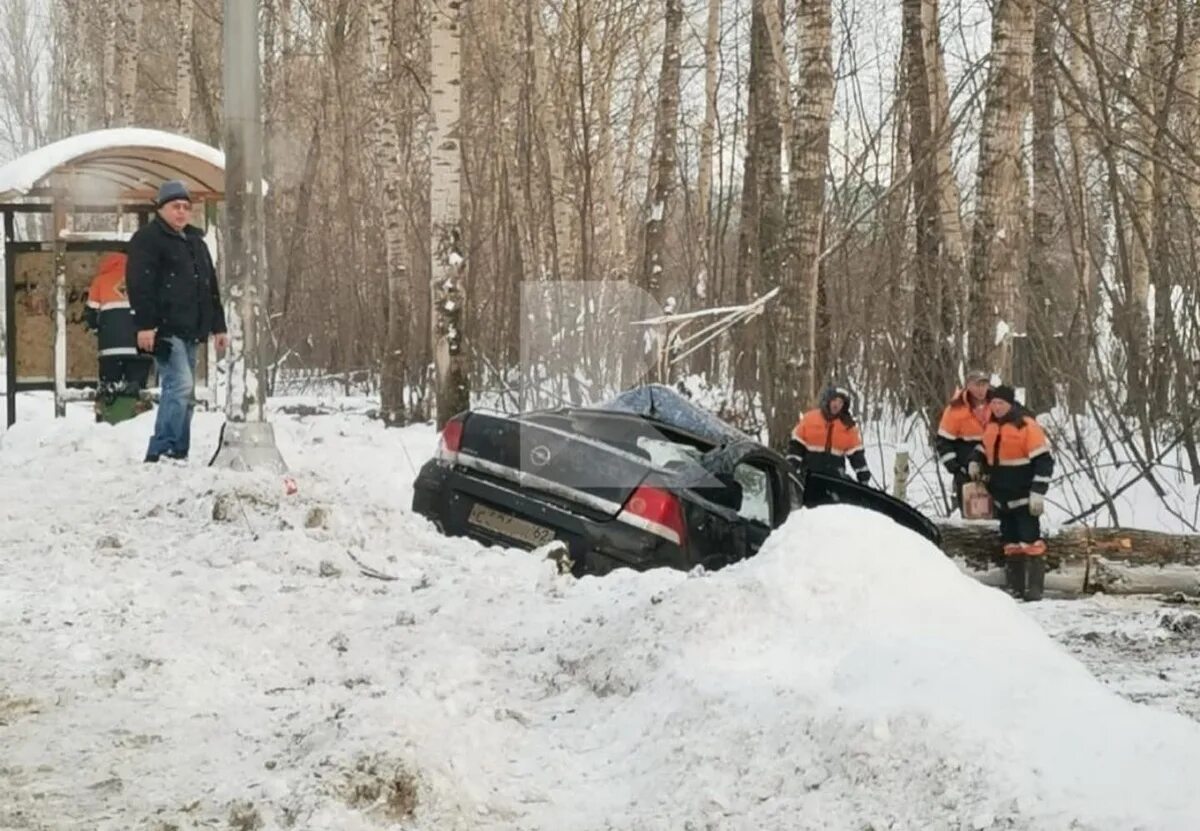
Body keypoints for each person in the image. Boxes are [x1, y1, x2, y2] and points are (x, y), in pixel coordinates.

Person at [126, 180, 229, 462]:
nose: (181, 213)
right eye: (175, 207)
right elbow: (140, 285)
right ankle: (163, 448)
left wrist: (219, 325)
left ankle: (178, 450)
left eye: (186, 207)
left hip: (192, 327)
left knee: (186, 392)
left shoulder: (196, 241)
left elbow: (210, 285)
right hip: (164, 327)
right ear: (161, 209)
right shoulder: (147, 239)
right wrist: (145, 325)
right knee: (180, 385)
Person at [969, 385, 1054, 601]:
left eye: (1001, 403)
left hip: (1024, 496)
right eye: (994, 403)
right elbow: (983, 447)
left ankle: (1034, 589)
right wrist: (975, 461)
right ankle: (1015, 587)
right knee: (1011, 544)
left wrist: (1038, 491)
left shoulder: (1027, 426)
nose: (996, 407)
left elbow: (1044, 462)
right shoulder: (991, 426)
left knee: (1031, 542)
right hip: (1001, 497)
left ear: (1010, 404)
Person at [84, 251, 153, 424]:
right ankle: (135, 422)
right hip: (140, 347)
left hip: (110, 348)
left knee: (109, 389)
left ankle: (109, 421)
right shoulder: (144, 278)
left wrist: (98, 329)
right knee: (137, 389)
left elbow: (90, 313)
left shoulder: (101, 280)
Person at [787, 386, 871, 484]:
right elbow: (796, 447)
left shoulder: (848, 427)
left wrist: (864, 476)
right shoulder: (810, 419)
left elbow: (857, 455)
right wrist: (791, 469)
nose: (837, 405)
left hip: (834, 479)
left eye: (840, 402)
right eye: (834, 400)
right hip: (808, 478)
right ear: (827, 400)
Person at [935, 369, 991, 514]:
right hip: (965, 472)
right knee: (972, 516)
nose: (981, 389)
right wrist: (956, 468)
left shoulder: (997, 405)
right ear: (968, 386)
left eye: (984, 384)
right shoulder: (956, 409)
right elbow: (943, 442)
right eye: (977, 385)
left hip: (994, 469)